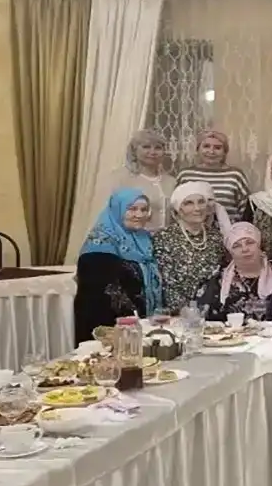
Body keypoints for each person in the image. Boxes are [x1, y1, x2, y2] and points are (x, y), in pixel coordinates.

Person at [74, 188, 164, 343]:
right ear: (117, 210)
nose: (139, 215)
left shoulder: (145, 239)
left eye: (144, 210)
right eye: (132, 209)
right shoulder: (100, 242)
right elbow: (103, 292)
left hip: (140, 326)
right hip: (108, 325)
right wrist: (132, 322)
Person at [154, 182, 227, 312]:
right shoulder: (164, 237)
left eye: (201, 202)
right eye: (189, 203)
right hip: (177, 313)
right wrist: (187, 312)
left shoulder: (216, 237)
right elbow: (167, 283)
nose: (197, 208)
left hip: (211, 312)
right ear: (178, 209)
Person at [195, 222, 272, 322]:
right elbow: (201, 319)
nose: (245, 249)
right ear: (231, 252)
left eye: (250, 242)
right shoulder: (217, 280)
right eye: (237, 246)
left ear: (259, 245)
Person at [175, 130, 250, 221]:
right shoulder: (186, 175)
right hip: (192, 228)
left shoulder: (235, 175)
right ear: (198, 149)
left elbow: (245, 211)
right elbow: (177, 207)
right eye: (206, 146)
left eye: (217, 148)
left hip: (229, 229)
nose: (211, 151)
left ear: (225, 152)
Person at [109, 130, 176, 231]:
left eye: (158, 148)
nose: (152, 152)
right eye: (146, 147)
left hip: (166, 238)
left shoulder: (171, 182)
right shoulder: (120, 178)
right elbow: (111, 214)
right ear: (134, 151)